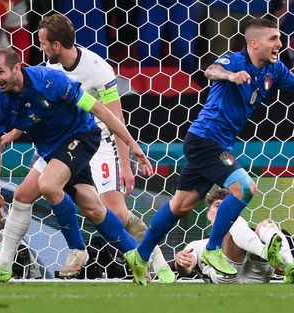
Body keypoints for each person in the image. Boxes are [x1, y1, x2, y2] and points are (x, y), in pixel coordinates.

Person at [1, 14, 173, 282]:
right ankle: (3, 264)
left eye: (44, 43)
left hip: (100, 143)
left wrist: (126, 164)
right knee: (24, 194)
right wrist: (14, 132)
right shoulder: (51, 69)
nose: (41, 49)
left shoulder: (98, 69)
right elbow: (39, 107)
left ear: (57, 45)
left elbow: (114, 116)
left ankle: (156, 260)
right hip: (62, 143)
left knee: (115, 211)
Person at [125, 18, 294, 285]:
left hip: (216, 143)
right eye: (273, 39)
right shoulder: (235, 62)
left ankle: (141, 255)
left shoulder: (275, 70)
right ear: (254, 43)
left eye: (279, 38)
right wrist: (231, 76)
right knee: (245, 188)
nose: (279, 44)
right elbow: (211, 70)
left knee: (181, 205)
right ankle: (214, 248)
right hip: (205, 140)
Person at [0, 47, 154, 282]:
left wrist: (133, 146)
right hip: (52, 150)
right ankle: (135, 255)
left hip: (82, 135)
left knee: (49, 185)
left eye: (0, 72)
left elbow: (99, 110)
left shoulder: (49, 80)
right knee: (35, 198)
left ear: (17, 67)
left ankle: (77, 249)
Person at [174, 187, 293, 284]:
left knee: (265, 225)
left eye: (227, 206)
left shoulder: (250, 236)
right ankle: (267, 253)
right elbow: (185, 270)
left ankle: (289, 265)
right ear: (208, 215)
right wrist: (181, 262)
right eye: (218, 205)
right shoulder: (197, 245)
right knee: (230, 221)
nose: (223, 210)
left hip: (258, 273)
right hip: (225, 277)